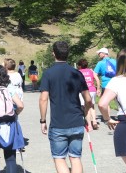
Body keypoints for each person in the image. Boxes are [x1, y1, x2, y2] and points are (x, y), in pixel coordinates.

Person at [39, 41, 92, 173]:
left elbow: (43, 99)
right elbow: (88, 99)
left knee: (59, 158)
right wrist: (86, 115)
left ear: (53, 53)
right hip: (76, 121)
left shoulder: (48, 73)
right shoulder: (77, 73)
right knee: (75, 158)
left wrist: (43, 120)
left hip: (58, 124)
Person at [78, 58, 101, 130]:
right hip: (92, 90)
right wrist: (98, 89)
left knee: (86, 107)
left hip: (84, 91)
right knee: (92, 106)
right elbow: (97, 80)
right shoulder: (91, 71)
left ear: (79, 66)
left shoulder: (79, 72)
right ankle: (94, 121)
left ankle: (89, 125)